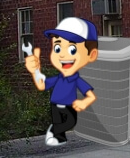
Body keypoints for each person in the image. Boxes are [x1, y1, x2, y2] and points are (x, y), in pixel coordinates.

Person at [25, 17, 99, 146]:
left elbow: (90, 95)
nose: (63, 55)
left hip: (69, 105)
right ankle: (59, 137)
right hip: (55, 104)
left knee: (70, 122)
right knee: (59, 124)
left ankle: (53, 131)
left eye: (72, 49)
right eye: (57, 48)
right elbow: (42, 85)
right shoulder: (58, 78)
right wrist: (34, 72)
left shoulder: (76, 79)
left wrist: (84, 102)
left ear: (91, 55)